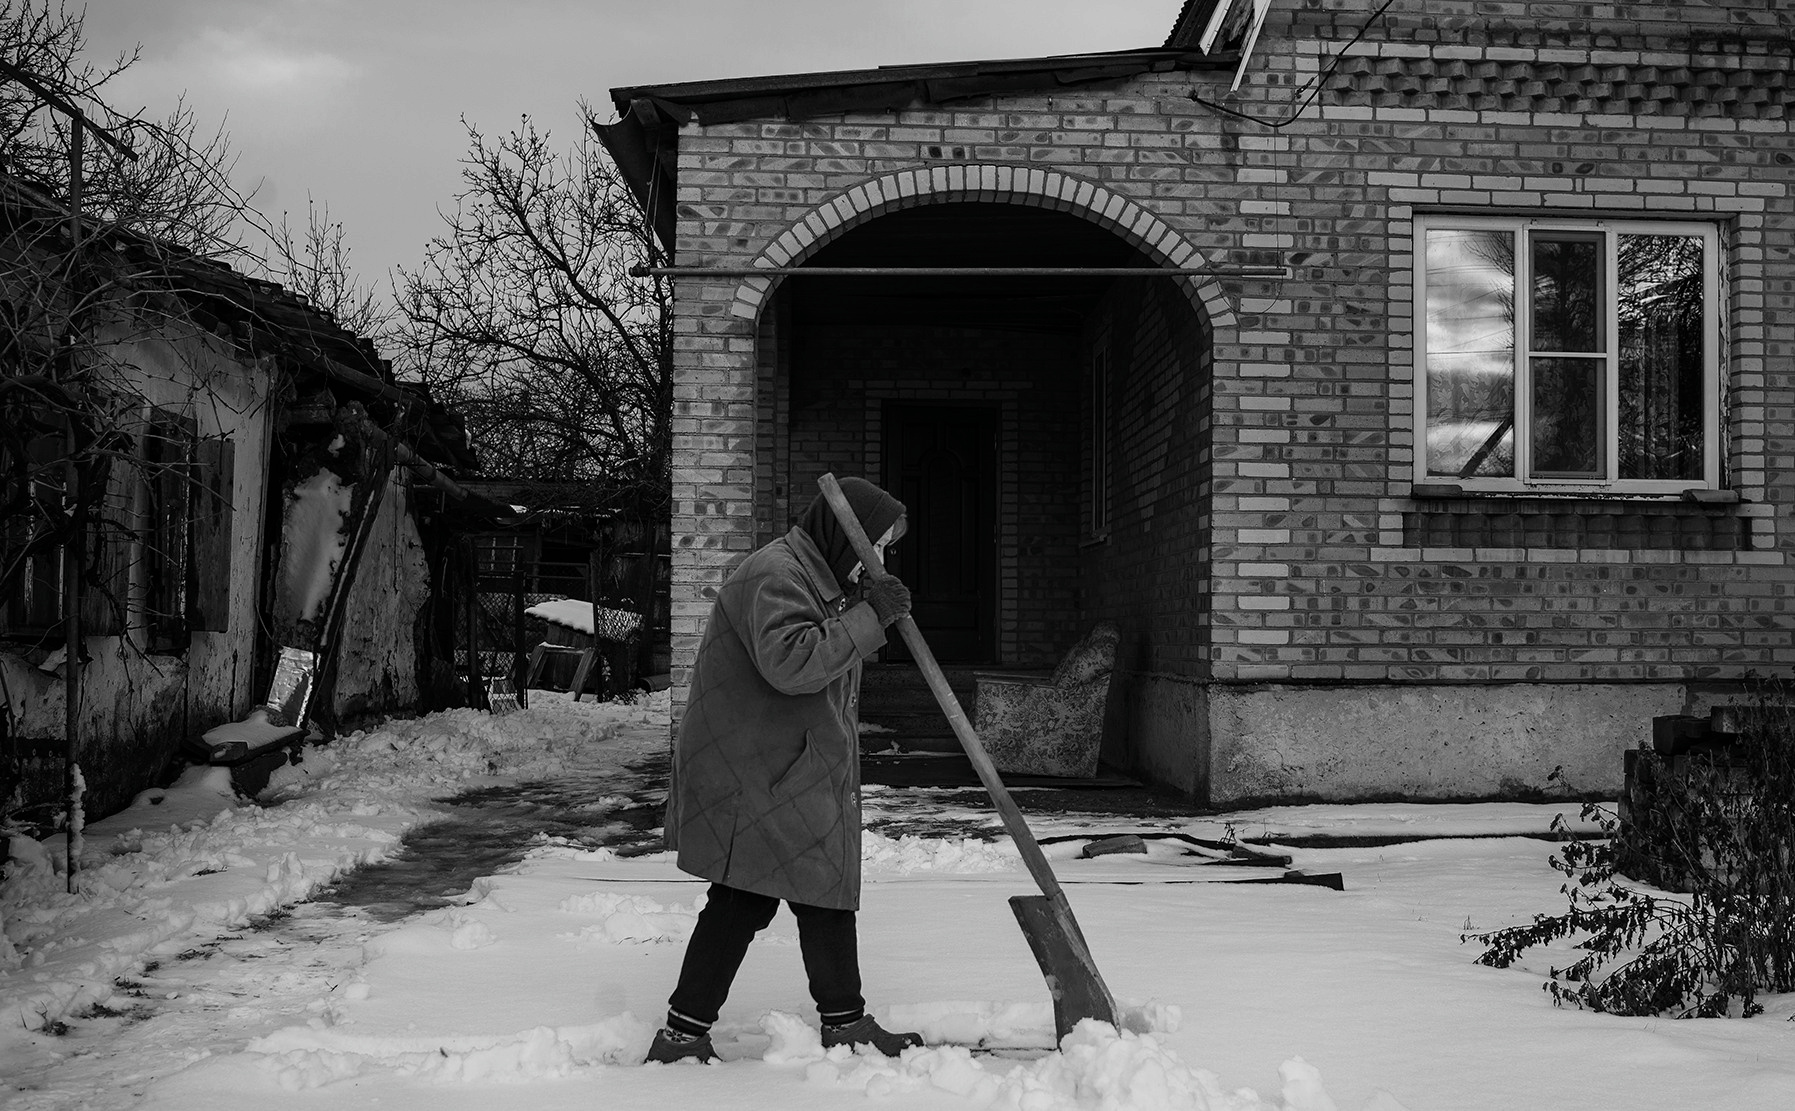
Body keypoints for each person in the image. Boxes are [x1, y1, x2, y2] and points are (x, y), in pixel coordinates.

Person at [646, 477, 925, 1065]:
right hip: (755, 771)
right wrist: (871, 615)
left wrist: (863, 611)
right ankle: (682, 1034)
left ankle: (839, 1022)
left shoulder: (811, 576)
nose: (879, 560)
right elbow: (793, 663)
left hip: (786, 766)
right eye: (878, 545)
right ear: (846, 536)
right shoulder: (775, 575)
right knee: (746, 896)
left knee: (816, 890)